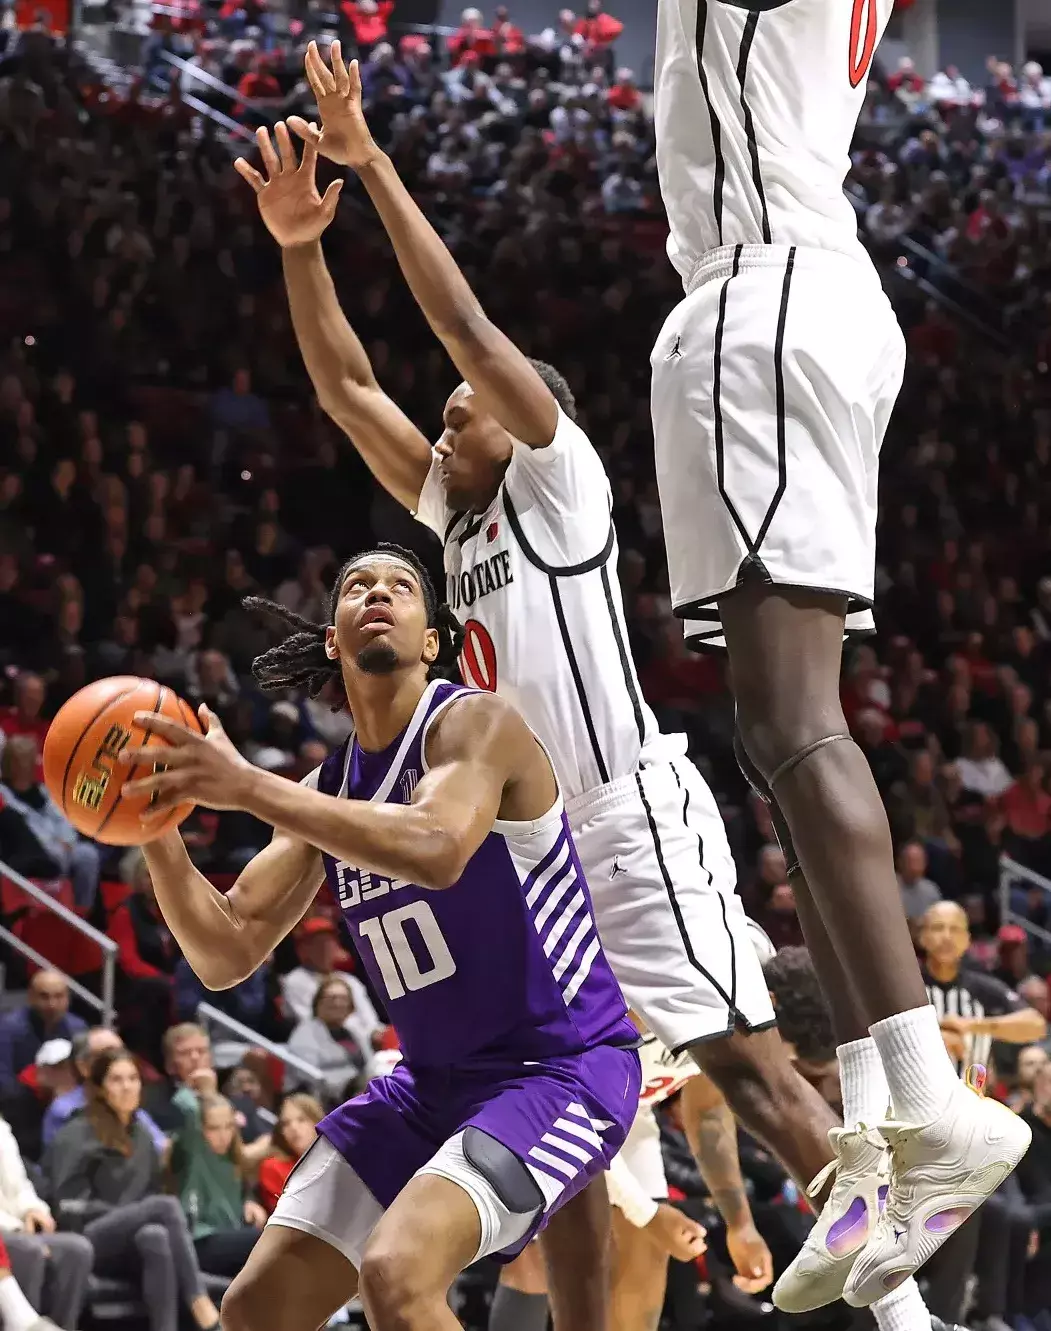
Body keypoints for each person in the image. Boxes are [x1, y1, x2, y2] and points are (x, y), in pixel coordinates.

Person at [250, 44, 850, 1312]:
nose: (447, 410)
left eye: (466, 405)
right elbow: (348, 386)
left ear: (523, 420)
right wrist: (302, 244)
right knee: (563, 1133)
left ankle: (889, 1275)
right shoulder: (451, 526)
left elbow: (462, 325)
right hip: (529, 844)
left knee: (737, 1058)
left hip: (624, 818)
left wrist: (370, 162)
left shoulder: (558, 485)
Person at [647, 0, 1031, 1311]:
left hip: (763, 292)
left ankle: (929, 1105)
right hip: (792, 294)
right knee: (774, 733)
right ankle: (879, 1151)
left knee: (795, 718)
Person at [117, 544, 643, 1331]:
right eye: (357, 584)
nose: (378, 592)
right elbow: (224, 952)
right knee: (256, 1308)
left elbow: (435, 848)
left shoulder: (475, 723)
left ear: (432, 637)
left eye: (401, 586)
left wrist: (244, 786)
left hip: (559, 1067)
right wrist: (152, 825)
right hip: (433, 1085)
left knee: (396, 1274)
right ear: (332, 638)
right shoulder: (328, 790)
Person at [44, 1049, 221, 1331]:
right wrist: (129, 1214)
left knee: (155, 1236)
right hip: (86, 1236)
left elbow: (150, 1194)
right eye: (116, 1080)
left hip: (133, 1238)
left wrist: (137, 1216)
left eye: (133, 1078)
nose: (127, 1086)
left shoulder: (141, 1135)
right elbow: (65, 1205)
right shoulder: (76, 1132)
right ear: (101, 1088)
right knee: (162, 1207)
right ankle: (200, 1303)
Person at [0, 1113, 93, 1330]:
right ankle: (23, 1324)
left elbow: (19, 1184)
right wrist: (16, 1227)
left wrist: (31, 1209)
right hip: (6, 1229)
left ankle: (63, 1325)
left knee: (77, 1249)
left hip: (16, 1224)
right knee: (29, 1249)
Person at [171, 1094, 268, 1277]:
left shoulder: (233, 1160)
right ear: (201, 1129)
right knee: (267, 1240)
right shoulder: (194, 1152)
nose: (223, 1135)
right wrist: (206, 1088)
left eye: (229, 1126)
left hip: (228, 1237)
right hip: (198, 1238)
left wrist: (249, 1201)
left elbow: (238, 1196)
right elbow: (185, 1104)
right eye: (213, 1128)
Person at [42, 1027, 168, 1154]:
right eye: (108, 1054)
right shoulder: (66, 1111)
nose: (119, 1061)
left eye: (121, 1052)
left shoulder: (130, 1108)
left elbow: (162, 1148)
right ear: (83, 1067)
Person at [0, 972, 86, 1096]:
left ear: (68, 998)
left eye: (59, 996)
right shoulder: (7, 1027)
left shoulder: (78, 1028)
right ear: (30, 997)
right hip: (20, 1103)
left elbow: (84, 1073)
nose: (52, 1004)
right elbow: (3, 1078)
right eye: (44, 997)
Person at [286, 975, 367, 1103]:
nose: (337, 1003)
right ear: (318, 1003)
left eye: (343, 999)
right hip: (320, 1100)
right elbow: (307, 1076)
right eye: (331, 998)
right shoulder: (306, 1032)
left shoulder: (352, 1034)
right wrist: (348, 1086)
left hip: (355, 1096)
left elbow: (367, 1066)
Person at [256, 1094, 324, 1215]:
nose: (293, 1127)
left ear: (318, 1122)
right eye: (286, 1123)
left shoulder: (337, 1160)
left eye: (301, 1120)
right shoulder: (273, 1167)